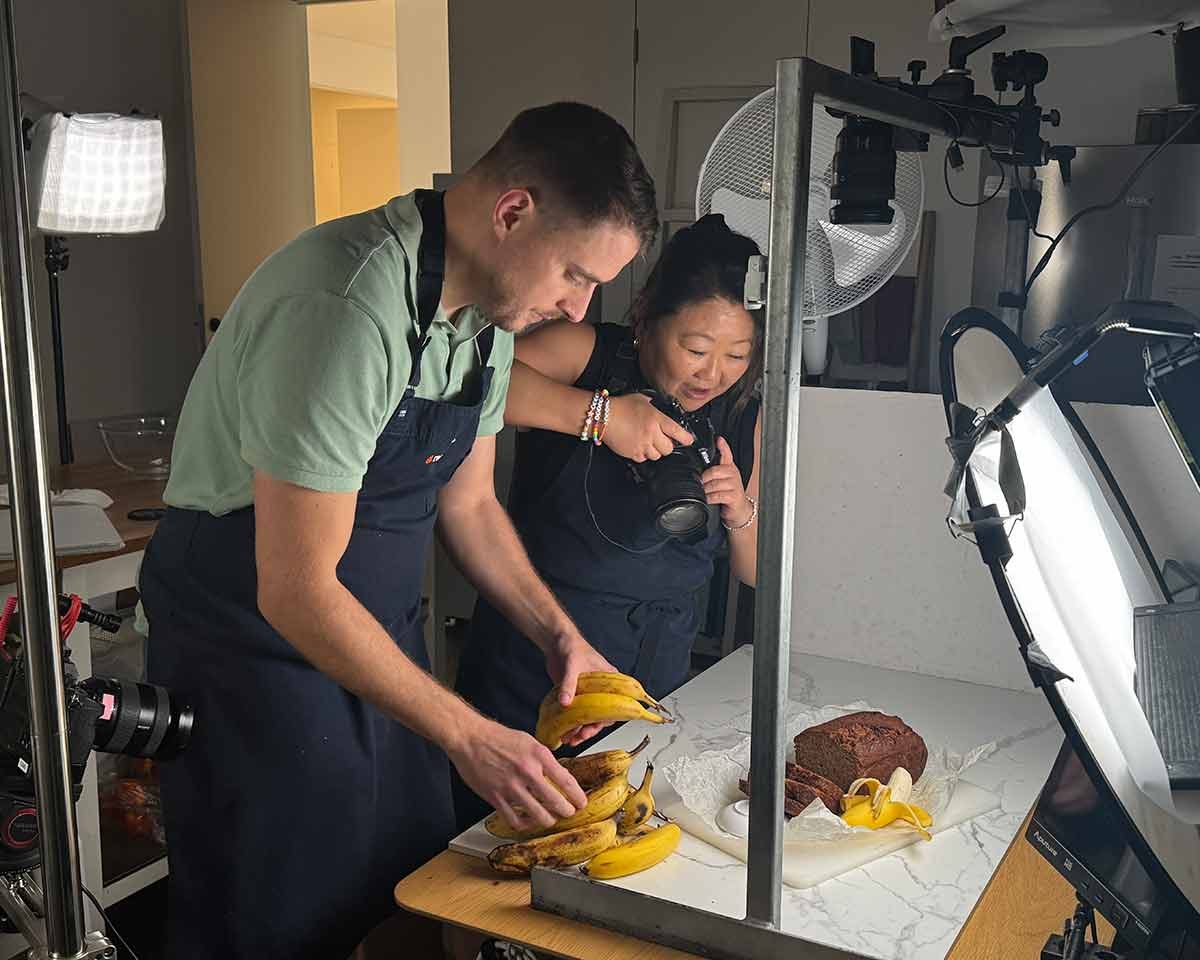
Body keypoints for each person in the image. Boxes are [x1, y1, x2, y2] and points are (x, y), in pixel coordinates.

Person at [137, 102, 658, 960]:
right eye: (574, 273)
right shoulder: (344, 307)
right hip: (253, 643)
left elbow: (471, 505)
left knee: (409, 885)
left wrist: (561, 637)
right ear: (512, 212)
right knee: (277, 919)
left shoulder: (489, 322)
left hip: (374, 631)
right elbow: (296, 587)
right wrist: (468, 734)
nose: (580, 306)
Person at [452, 214, 762, 830]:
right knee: (492, 837)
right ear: (648, 318)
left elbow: (756, 572)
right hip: (540, 653)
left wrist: (739, 510)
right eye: (696, 349)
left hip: (658, 668)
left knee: (618, 830)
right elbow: (479, 380)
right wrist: (600, 416)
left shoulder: (743, 412)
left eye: (737, 355)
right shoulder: (588, 352)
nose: (713, 374)